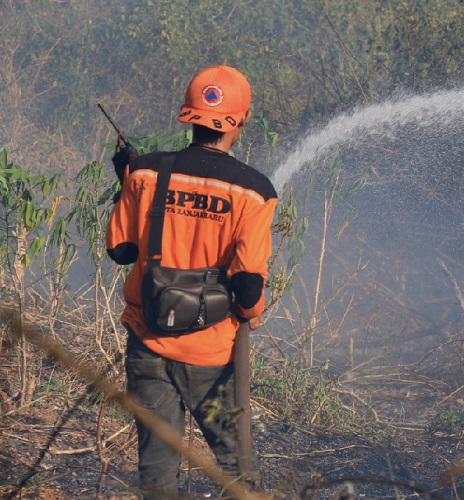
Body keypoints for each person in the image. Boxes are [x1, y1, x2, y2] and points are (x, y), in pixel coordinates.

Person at [106, 65, 277, 498]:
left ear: (191, 116)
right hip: (211, 354)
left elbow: (120, 251)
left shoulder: (145, 174)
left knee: (157, 469)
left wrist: (125, 181)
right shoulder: (254, 191)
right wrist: (251, 315)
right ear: (241, 119)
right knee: (237, 466)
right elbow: (248, 286)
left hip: (147, 344)